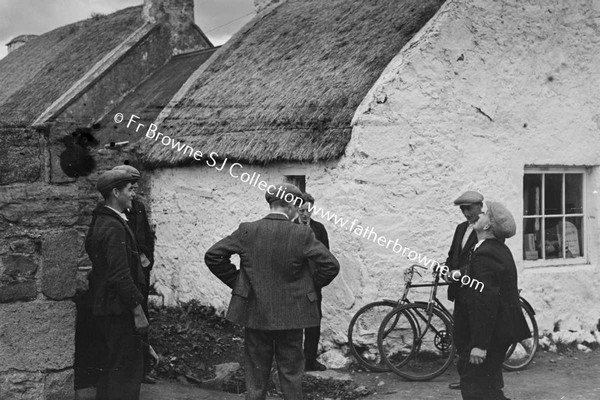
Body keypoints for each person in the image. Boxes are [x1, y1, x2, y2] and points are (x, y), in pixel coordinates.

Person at [205, 183, 340, 400]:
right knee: (291, 376)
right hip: (292, 316)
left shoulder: (247, 229)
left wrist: (240, 284)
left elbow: (213, 256)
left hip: (256, 313)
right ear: (291, 205)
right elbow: (331, 265)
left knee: (256, 378)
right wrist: (309, 287)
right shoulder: (302, 234)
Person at [452, 201, 531, 400]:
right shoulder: (491, 249)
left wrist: (480, 345)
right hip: (496, 331)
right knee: (488, 387)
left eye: (486, 214)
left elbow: (486, 303)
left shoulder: (486, 254)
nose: (480, 215)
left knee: (474, 386)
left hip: (491, 334)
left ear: (488, 226)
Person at [85, 169, 149, 400]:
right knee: (125, 376)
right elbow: (120, 274)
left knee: (111, 373)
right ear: (115, 192)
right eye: (130, 190)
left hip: (107, 307)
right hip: (119, 309)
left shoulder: (102, 220)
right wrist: (138, 311)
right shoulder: (112, 226)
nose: (133, 195)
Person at [112, 165, 157, 383]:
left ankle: (142, 370)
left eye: (137, 187)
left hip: (141, 271)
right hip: (126, 271)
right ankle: (127, 372)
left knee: (143, 313)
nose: (135, 192)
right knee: (127, 317)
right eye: (131, 187)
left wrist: (147, 260)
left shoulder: (138, 207)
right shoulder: (115, 211)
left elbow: (148, 237)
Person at [445, 191, 483, 390]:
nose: (466, 213)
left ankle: (475, 380)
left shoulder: (486, 228)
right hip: (460, 291)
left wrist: (459, 272)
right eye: (463, 210)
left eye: (469, 209)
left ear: (480, 206)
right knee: (460, 335)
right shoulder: (461, 228)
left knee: (474, 335)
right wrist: (447, 270)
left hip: (477, 290)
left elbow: (481, 262)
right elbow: (453, 254)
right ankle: (465, 379)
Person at [296, 192, 330, 371]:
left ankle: (310, 360)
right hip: (293, 284)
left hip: (313, 285)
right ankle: (294, 362)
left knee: (314, 321)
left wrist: (318, 282)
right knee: (293, 323)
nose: (305, 214)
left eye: (308, 210)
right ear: (296, 209)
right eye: (301, 210)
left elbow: (327, 258)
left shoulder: (319, 229)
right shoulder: (289, 228)